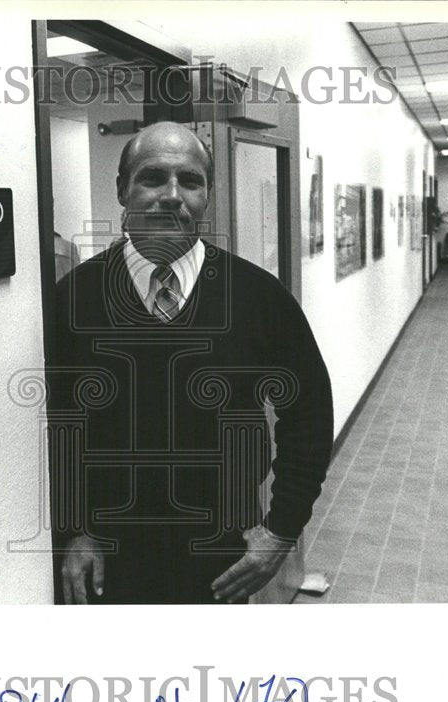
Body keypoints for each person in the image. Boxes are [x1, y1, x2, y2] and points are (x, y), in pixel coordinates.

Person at [49, 122, 333, 604]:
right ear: (123, 189)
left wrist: (280, 530)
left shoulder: (258, 297)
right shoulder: (73, 299)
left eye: (191, 181)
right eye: (153, 177)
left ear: (208, 195)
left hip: (221, 558)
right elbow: (57, 426)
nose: (172, 195)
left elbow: (308, 416)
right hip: (108, 559)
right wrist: (73, 530)